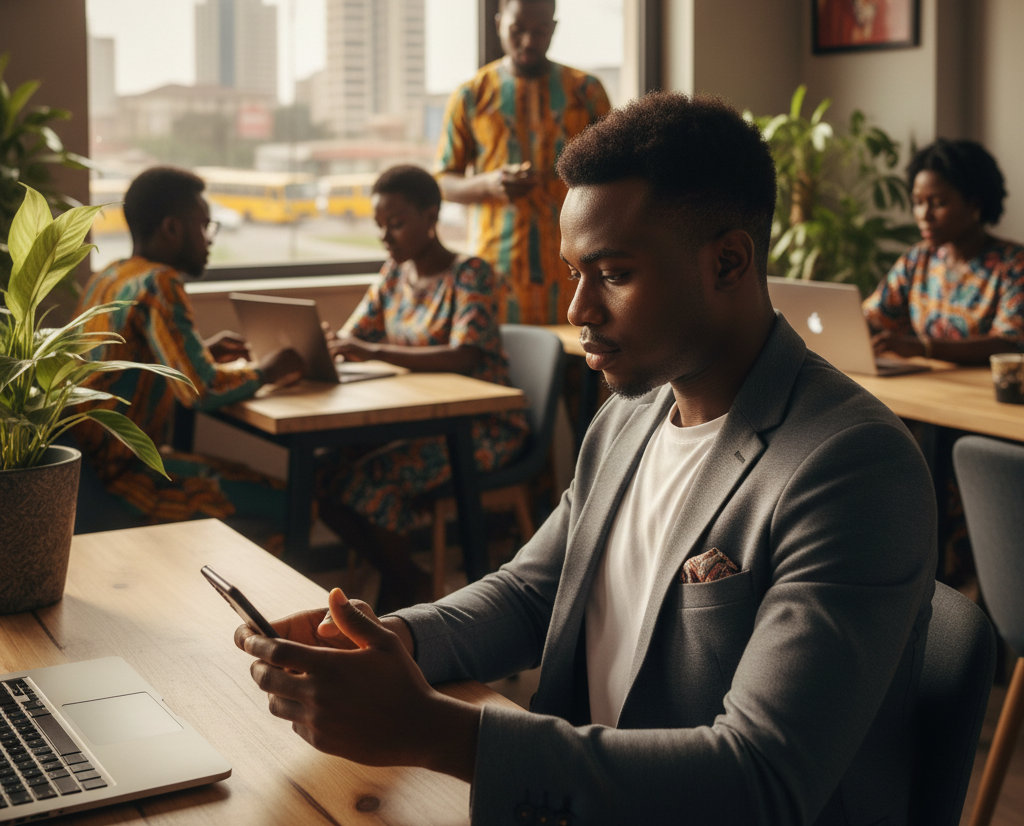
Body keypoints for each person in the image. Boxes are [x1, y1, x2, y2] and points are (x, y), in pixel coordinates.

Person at [235, 94, 937, 825]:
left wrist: (435, 731)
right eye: (574, 272)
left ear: (729, 261)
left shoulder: (852, 466)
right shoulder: (627, 416)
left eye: (614, 274)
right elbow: (534, 593)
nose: (577, 309)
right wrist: (387, 641)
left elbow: (760, 779)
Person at [318, 164, 529, 611]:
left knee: (373, 482)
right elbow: (351, 337)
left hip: (481, 426)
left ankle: (402, 589)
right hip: (417, 423)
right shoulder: (394, 275)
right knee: (322, 473)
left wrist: (372, 352)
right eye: (379, 226)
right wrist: (319, 348)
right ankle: (410, 577)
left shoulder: (470, 273)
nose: (385, 236)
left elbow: (463, 355)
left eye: (395, 223)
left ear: (431, 216)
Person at [70, 167, 303, 531]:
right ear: (172, 227)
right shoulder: (160, 282)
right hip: (127, 480)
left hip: (88, 477)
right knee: (296, 504)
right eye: (205, 225)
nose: (209, 238)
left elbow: (130, 362)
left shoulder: (111, 275)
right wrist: (269, 369)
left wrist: (201, 351)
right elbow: (201, 390)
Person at [435, 0, 611, 324]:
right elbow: (443, 181)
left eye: (541, 30)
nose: (529, 40)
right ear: (500, 24)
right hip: (497, 270)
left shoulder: (585, 91)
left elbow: (618, 174)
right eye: (518, 29)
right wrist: (488, 185)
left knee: (579, 371)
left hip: (578, 268)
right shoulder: (471, 95)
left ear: (554, 28)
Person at [864, 138, 1024, 364]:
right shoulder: (918, 259)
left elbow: (1009, 343)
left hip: (982, 392)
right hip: (928, 385)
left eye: (937, 203)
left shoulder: (1014, 265)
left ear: (975, 203)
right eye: (918, 202)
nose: (924, 215)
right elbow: (874, 317)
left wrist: (923, 348)